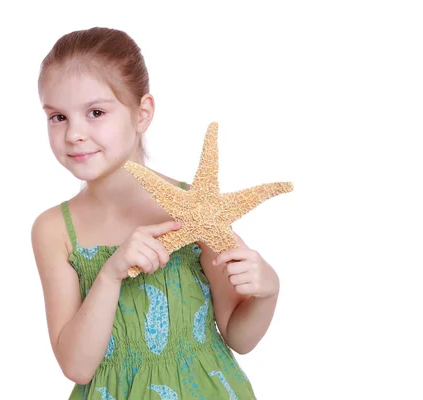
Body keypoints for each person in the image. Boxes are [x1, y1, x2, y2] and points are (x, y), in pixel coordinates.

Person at [31, 26, 280, 400]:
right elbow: (77, 366)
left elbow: (238, 336)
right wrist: (112, 273)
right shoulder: (54, 229)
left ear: (142, 113)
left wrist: (267, 291)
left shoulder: (199, 208)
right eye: (58, 117)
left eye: (95, 112)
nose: (73, 134)